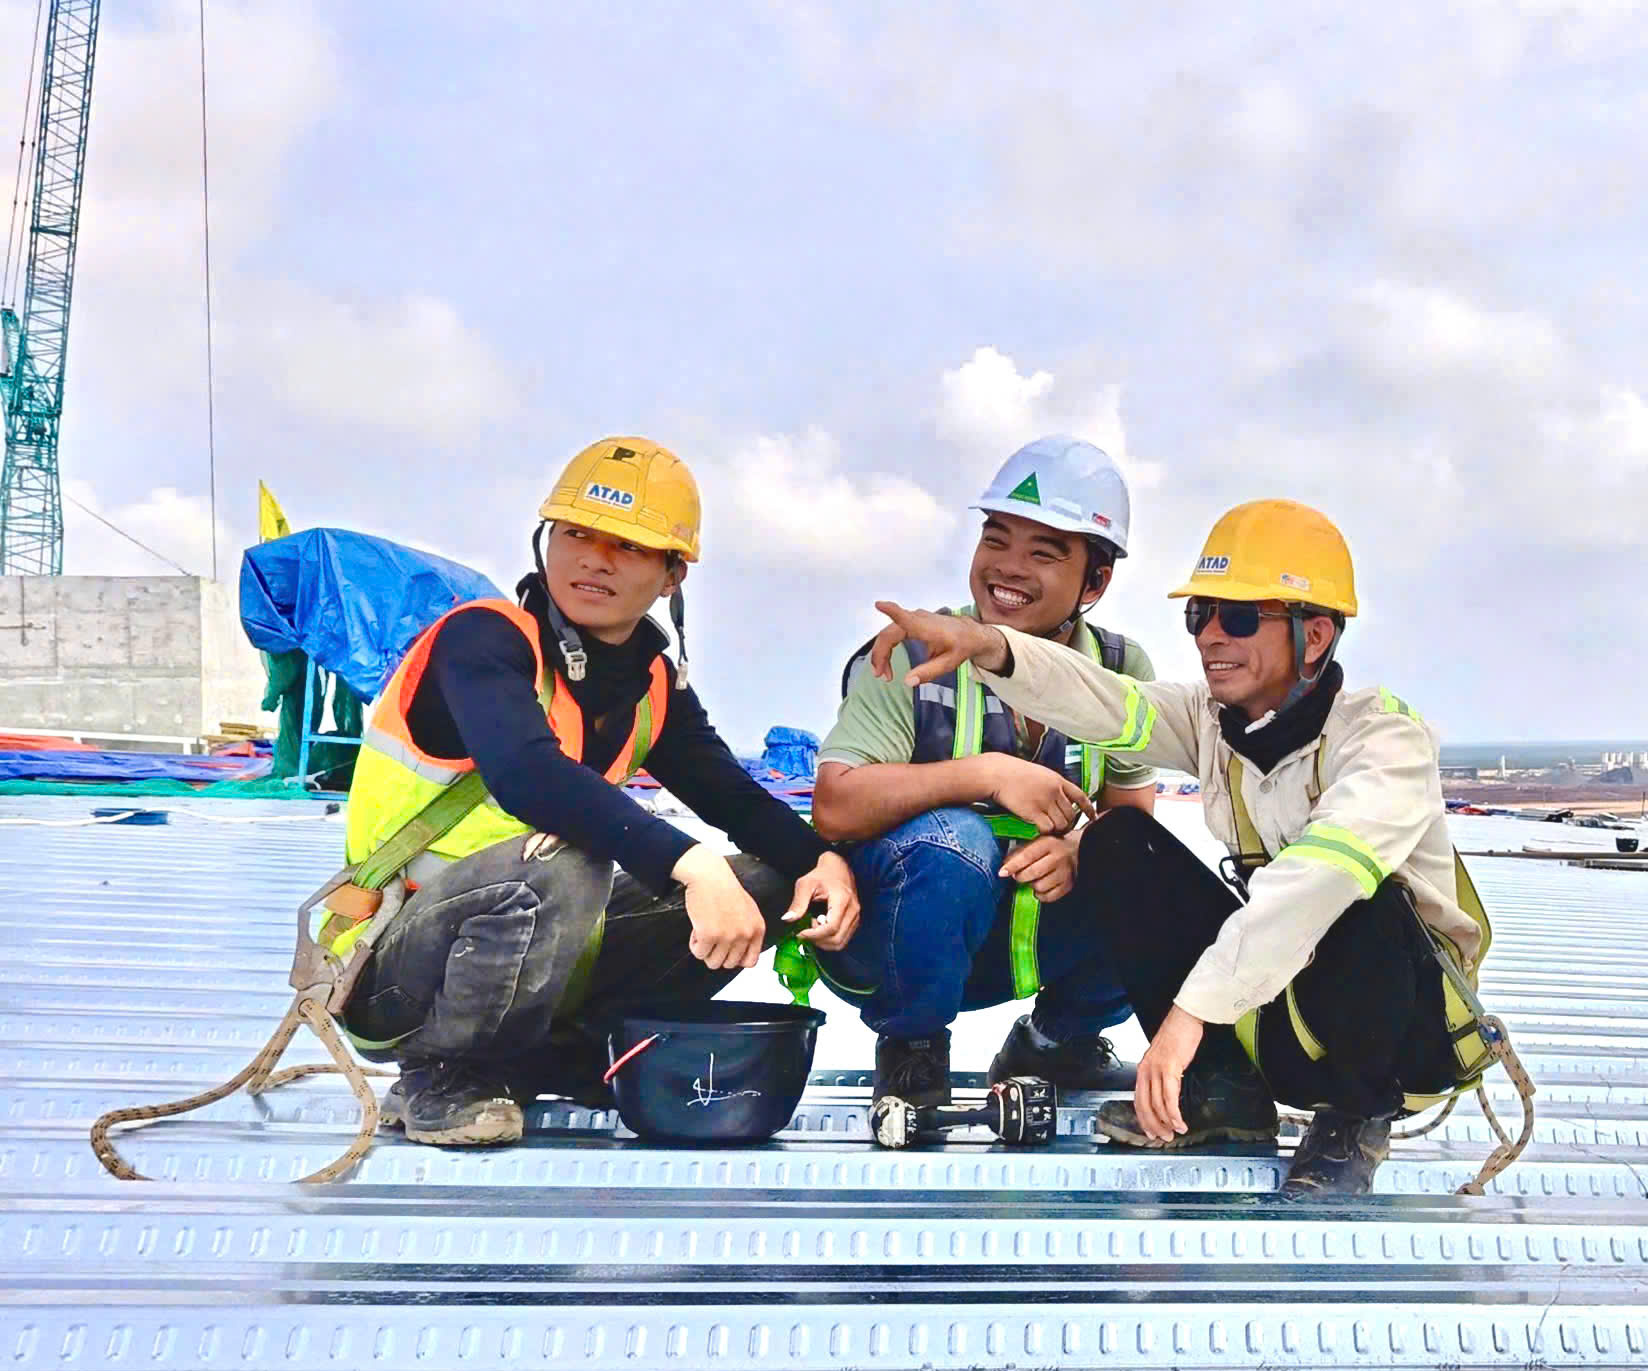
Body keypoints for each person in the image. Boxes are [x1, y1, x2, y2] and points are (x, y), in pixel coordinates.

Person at [863, 498, 1504, 1196]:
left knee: (1356, 896)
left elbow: (1316, 880)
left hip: (1400, 1038)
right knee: (1117, 841)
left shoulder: (1384, 740)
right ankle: (1223, 1094)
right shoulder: (1213, 719)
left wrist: (1189, 1013)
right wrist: (991, 647)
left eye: (1239, 618)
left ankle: (1353, 1119)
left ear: (1315, 635)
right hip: (1280, 1010)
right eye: (1200, 615)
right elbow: (1107, 702)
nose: (1210, 637)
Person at [334, 436, 860, 1146]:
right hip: (400, 966)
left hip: (539, 951)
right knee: (573, 860)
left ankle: (571, 1052)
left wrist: (820, 862)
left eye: (628, 547)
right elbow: (529, 776)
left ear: (672, 574)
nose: (594, 559)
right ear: (547, 541)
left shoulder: (651, 686)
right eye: (577, 534)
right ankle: (448, 1074)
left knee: (767, 883)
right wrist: (694, 865)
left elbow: (733, 797)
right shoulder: (483, 640)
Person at [812, 436, 1158, 1113]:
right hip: (895, 939)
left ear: (1095, 583)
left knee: (1145, 868)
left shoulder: (1120, 668)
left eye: (1043, 553)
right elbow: (836, 805)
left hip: (1022, 938)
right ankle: (912, 1051)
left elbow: (1132, 817)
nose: (1008, 567)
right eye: (996, 539)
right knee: (954, 840)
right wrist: (985, 774)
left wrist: (1079, 849)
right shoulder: (913, 651)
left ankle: (1056, 1044)